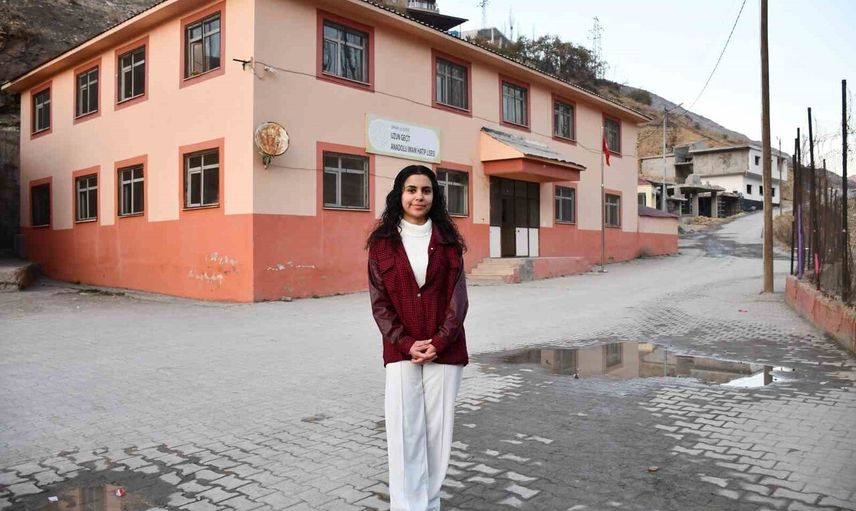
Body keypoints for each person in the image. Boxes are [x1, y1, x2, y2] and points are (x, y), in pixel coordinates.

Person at [366, 165, 469, 511]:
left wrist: (438, 342)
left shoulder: (449, 242)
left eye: (426, 190)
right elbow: (380, 303)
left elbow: (458, 301)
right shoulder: (382, 244)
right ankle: (407, 506)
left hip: (446, 350)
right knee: (403, 431)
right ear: (399, 194)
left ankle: (429, 503)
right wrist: (406, 342)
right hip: (401, 352)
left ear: (434, 196)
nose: (418, 197)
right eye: (411, 190)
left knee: (437, 434)